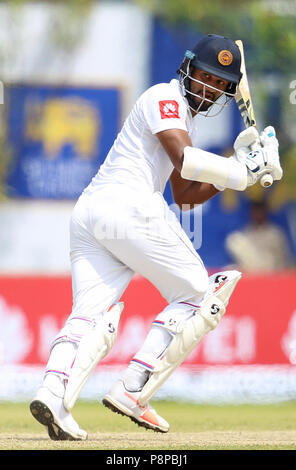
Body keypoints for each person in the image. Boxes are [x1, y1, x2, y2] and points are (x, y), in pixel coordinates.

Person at [30, 34, 283, 440]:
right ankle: (134, 389)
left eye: (221, 84)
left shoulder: (183, 119)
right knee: (201, 296)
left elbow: (185, 196)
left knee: (90, 316)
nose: (211, 87)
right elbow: (186, 160)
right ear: (187, 69)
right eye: (205, 76)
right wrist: (242, 169)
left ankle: (53, 396)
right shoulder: (163, 98)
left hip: (93, 215)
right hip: (127, 207)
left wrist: (240, 171)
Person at [225, 200, 291, 272]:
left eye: (260, 212)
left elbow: (283, 260)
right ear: (250, 213)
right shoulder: (241, 236)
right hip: (251, 277)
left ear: (265, 213)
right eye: (255, 212)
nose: (257, 215)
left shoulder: (275, 234)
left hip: (272, 275)